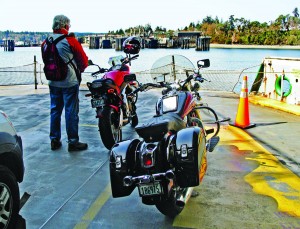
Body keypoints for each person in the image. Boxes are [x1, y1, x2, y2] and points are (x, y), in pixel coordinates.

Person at [41, 15, 89, 152]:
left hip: (53, 81)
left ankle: (54, 140)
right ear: (66, 26)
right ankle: (73, 142)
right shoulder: (70, 41)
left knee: (55, 110)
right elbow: (84, 62)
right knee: (71, 111)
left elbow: (46, 61)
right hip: (69, 82)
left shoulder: (46, 42)